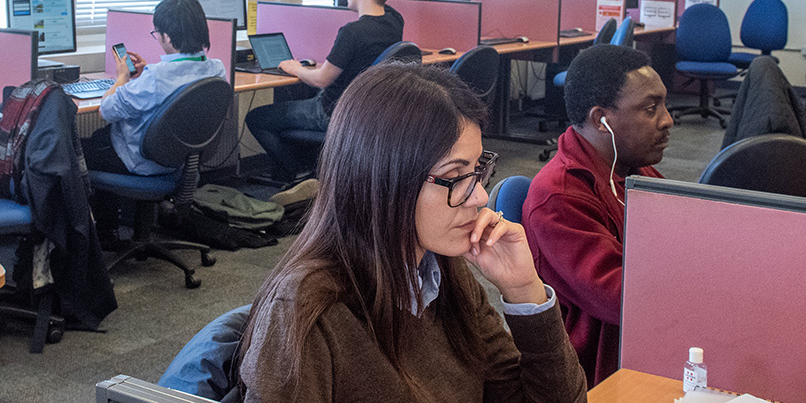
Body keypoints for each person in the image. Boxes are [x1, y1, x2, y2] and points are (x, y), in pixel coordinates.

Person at [237, 63, 587, 402]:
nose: (480, 195)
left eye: (479, 170)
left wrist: (524, 290)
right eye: (456, 175)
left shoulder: (443, 275)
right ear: (384, 181)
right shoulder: (308, 313)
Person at [521, 45, 671, 386]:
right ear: (600, 120)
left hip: (646, 346)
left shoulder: (634, 170)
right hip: (598, 375)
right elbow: (623, 297)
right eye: (650, 108)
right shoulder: (559, 197)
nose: (667, 120)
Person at [244, 0, 403, 182]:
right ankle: (310, 171)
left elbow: (321, 80)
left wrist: (295, 68)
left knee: (257, 118)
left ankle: (295, 173)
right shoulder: (394, 21)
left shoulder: (352, 32)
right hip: (366, 113)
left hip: (331, 113)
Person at [83, 0, 226, 176]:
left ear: (166, 36)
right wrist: (147, 73)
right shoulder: (217, 69)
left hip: (139, 162)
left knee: (74, 152)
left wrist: (122, 78)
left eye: (156, 33)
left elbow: (106, 111)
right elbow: (179, 79)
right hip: (181, 160)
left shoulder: (155, 78)